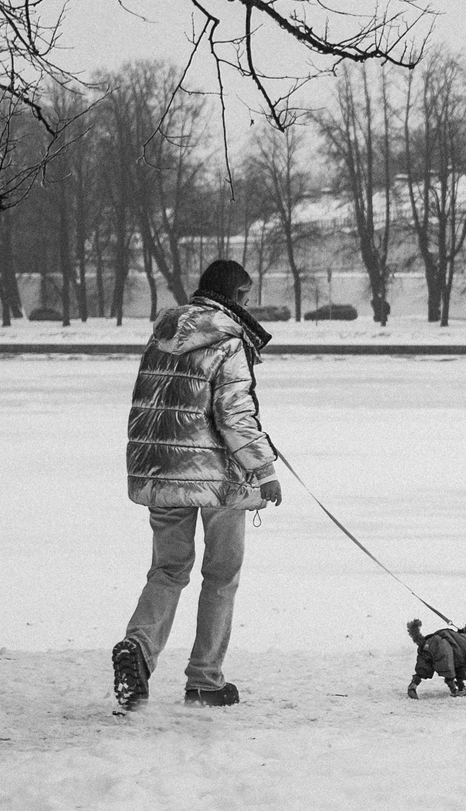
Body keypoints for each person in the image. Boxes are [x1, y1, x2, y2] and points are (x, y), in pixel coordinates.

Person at [112, 259, 282, 710]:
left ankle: (138, 647)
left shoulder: (162, 335)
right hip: (217, 478)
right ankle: (205, 678)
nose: (249, 303)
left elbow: (148, 405)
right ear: (231, 296)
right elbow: (234, 415)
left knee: (167, 571)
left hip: (160, 470)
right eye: (245, 295)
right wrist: (264, 469)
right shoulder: (228, 341)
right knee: (221, 576)